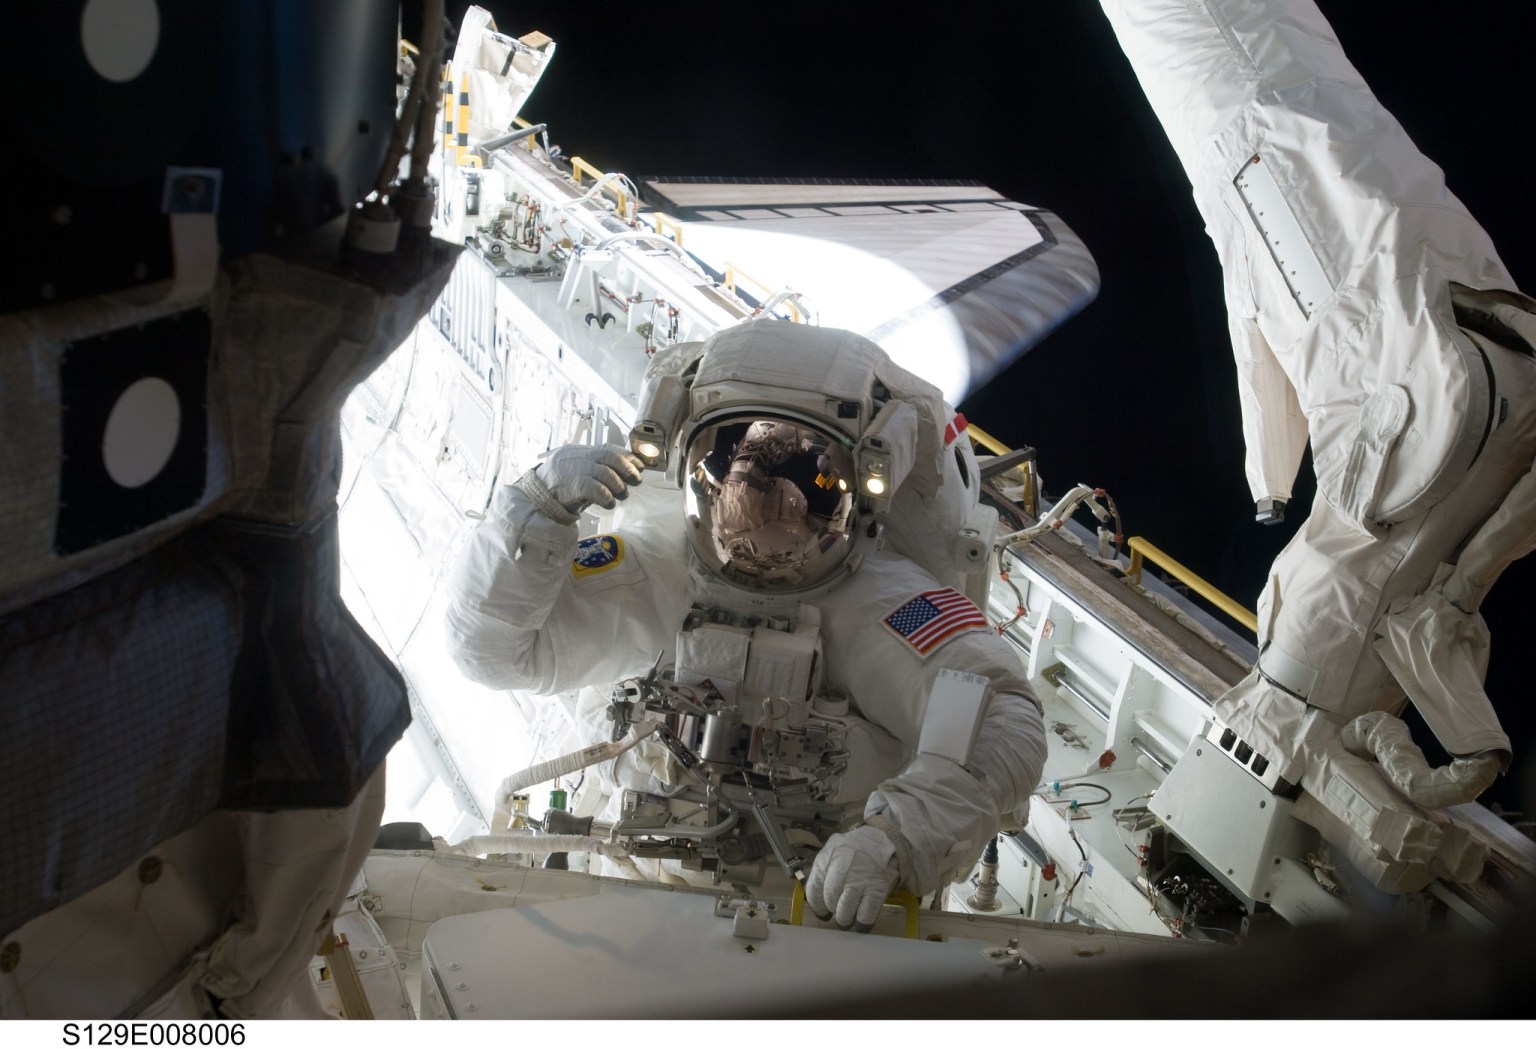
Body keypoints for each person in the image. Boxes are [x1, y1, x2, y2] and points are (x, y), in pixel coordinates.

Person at [1098, 0, 1536, 889]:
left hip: (1433, 396)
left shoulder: (1242, 147)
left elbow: (1251, 294)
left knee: (1315, 671)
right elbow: (1252, 291)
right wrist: (1268, 474)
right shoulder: (1252, 140)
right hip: (1462, 375)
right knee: (1317, 665)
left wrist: (1273, 473)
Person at [445, 320, 1047, 929]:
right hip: (633, 885)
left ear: (861, 492)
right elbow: (491, 652)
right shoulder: (658, 569)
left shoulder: (890, 605)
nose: (759, 524)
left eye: (798, 491)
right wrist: (531, 515)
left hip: (816, 910)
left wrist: (892, 841)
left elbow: (1004, 716)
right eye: (742, 474)